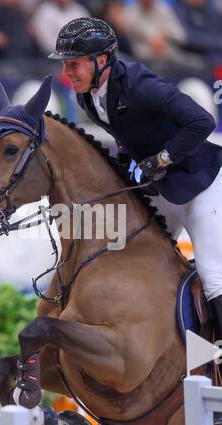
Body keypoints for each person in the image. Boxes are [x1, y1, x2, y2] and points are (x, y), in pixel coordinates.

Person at [48, 17, 222, 348]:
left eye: (73, 64)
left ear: (101, 60)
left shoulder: (140, 84)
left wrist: (162, 159)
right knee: (137, 257)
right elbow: (130, 135)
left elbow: (202, 122)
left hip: (202, 183)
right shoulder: (89, 96)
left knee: (214, 276)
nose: (67, 73)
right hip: (163, 189)